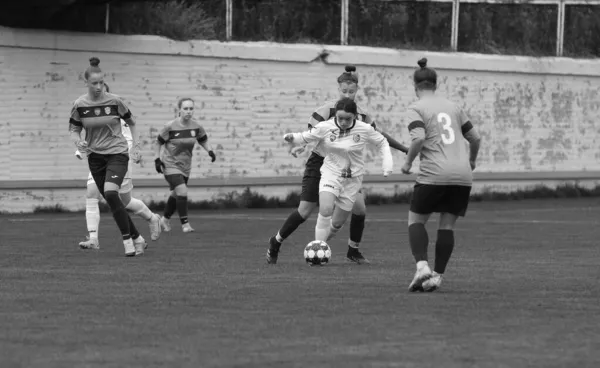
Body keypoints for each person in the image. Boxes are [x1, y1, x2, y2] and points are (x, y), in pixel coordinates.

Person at [267, 65, 407, 265]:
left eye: (351, 91)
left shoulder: (362, 116)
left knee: (359, 209)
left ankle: (351, 251)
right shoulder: (326, 110)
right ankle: (276, 241)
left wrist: (403, 149)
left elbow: (379, 136)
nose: (348, 94)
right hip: (321, 163)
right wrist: (302, 147)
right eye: (344, 91)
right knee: (306, 210)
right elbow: (313, 133)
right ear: (338, 89)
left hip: (347, 169)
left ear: (357, 90)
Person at [400, 58, 482, 292]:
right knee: (446, 226)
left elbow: (418, 138)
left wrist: (407, 163)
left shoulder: (416, 108)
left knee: (416, 221)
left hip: (434, 174)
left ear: (415, 86)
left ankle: (422, 266)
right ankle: (437, 276)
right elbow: (475, 138)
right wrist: (472, 160)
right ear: (436, 84)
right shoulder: (454, 107)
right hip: (462, 175)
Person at [283, 98, 393, 248]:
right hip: (331, 173)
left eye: (347, 119)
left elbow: (382, 142)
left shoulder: (364, 129)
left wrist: (387, 164)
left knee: (336, 223)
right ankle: (318, 250)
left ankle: (324, 246)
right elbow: (305, 136)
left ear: (355, 116)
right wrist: (292, 138)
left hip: (352, 180)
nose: (343, 122)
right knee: (326, 209)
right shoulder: (325, 126)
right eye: (340, 118)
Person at [69, 57, 147, 257]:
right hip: (95, 158)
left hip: (117, 154)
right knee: (113, 201)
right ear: (85, 82)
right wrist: (78, 142)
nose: (98, 87)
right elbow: (74, 130)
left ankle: (127, 241)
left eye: (101, 82)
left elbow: (132, 122)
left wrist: (136, 147)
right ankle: (138, 237)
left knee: (112, 193)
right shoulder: (79, 105)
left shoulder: (115, 101)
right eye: (94, 83)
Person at [76, 84, 162, 250]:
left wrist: (134, 150)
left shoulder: (116, 109)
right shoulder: (90, 114)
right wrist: (80, 147)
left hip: (119, 158)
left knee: (125, 201)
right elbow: (89, 136)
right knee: (91, 192)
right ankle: (93, 238)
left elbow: (129, 131)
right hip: (98, 158)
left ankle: (151, 218)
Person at [153, 97, 216, 233]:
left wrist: (210, 151)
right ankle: (185, 225)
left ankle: (165, 219)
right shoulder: (170, 126)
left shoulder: (196, 126)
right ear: (179, 110)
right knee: (182, 190)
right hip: (170, 164)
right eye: (185, 108)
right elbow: (158, 142)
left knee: (176, 194)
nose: (188, 111)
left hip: (185, 166)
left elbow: (203, 140)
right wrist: (157, 159)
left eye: (191, 108)